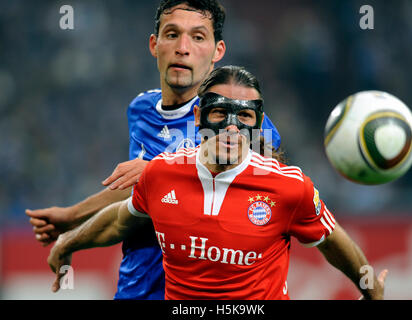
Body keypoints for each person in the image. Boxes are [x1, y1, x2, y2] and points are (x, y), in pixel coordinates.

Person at [48, 66, 387, 300]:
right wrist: (68, 244)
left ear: (258, 123)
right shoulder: (160, 174)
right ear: (198, 117)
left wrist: (370, 287)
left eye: (244, 117)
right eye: (219, 112)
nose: (231, 127)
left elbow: (331, 239)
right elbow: (121, 219)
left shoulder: (289, 187)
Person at [25, 0, 281, 299]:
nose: (182, 47)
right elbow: (138, 190)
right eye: (172, 34)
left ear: (217, 52)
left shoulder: (236, 120)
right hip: (136, 288)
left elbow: (260, 179)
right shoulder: (141, 109)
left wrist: (159, 169)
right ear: (154, 44)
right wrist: (72, 216)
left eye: (198, 37)